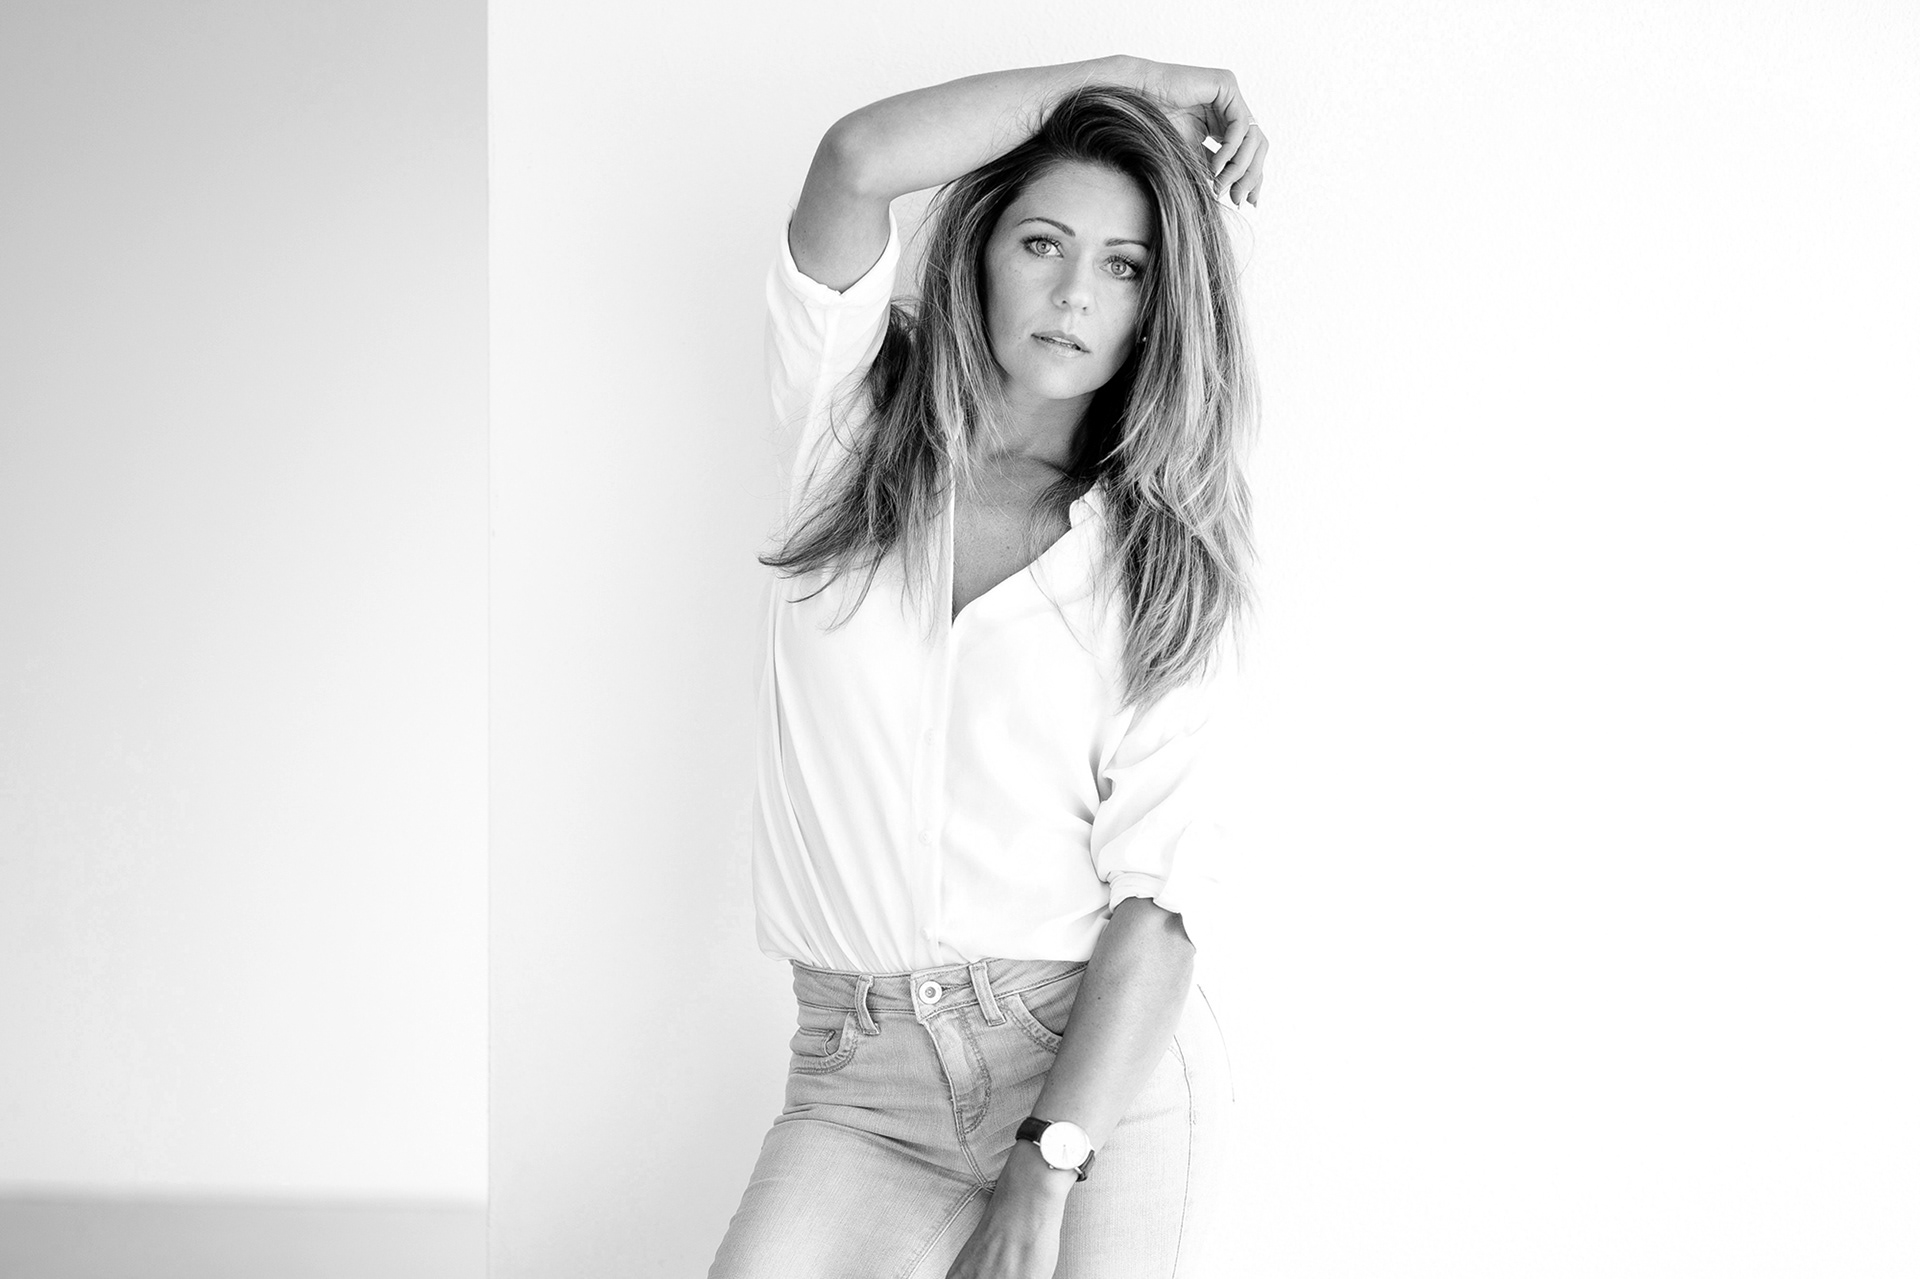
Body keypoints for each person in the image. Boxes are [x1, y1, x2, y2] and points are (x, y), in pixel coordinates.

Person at [711, 53, 1267, 1279]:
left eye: (1124, 267)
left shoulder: (1161, 561)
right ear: (979, 255)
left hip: (1091, 1078)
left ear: (1157, 307)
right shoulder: (847, 432)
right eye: (1042, 243)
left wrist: (1047, 1163)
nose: (1074, 293)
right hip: (856, 1083)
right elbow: (857, 160)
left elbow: (1159, 908)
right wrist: (1130, 80)